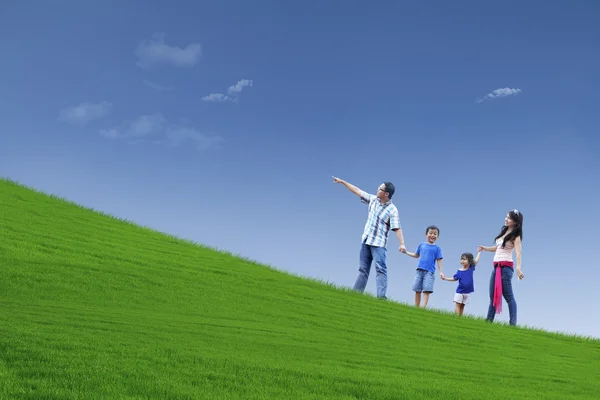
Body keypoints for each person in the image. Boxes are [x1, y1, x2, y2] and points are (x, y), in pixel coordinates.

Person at [332, 176, 406, 299]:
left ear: (386, 193)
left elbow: (397, 228)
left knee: (380, 270)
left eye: (380, 189)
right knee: (363, 270)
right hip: (366, 241)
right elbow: (357, 191)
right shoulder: (372, 200)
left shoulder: (392, 210)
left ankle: (381, 298)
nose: (378, 190)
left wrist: (402, 243)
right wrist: (343, 182)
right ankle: (355, 295)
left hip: (379, 244)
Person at [477, 209, 524, 326]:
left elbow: (518, 253)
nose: (506, 219)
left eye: (509, 218)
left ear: (515, 221)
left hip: (506, 268)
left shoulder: (515, 236)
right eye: (506, 217)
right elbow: (497, 248)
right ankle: (488, 322)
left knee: (508, 297)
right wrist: (484, 248)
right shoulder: (504, 232)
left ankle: (512, 324)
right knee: (493, 296)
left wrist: (518, 268)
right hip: (496, 268)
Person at [400, 226, 444, 308]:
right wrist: (406, 252)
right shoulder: (422, 245)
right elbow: (416, 255)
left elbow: (439, 260)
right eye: (430, 233)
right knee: (417, 289)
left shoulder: (437, 248)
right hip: (419, 271)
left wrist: (441, 272)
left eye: (435, 234)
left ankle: (422, 308)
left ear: (437, 237)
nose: (432, 235)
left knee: (426, 290)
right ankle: (417, 307)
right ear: (426, 234)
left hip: (429, 272)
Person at [442, 251, 481, 316]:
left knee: (463, 305)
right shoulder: (459, 271)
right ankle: (456, 318)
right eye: (461, 259)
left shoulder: (471, 268)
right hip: (460, 292)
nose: (462, 261)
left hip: (467, 292)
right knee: (458, 305)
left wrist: (479, 252)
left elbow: (476, 261)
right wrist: (446, 278)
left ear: (470, 261)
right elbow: (454, 278)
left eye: (464, 259)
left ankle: (460, 317)